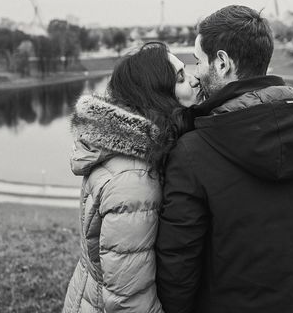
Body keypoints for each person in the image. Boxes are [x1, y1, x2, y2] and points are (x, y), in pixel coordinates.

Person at [156, 5, 293, 313]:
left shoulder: (193, 152)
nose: (196, 74)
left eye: (199, 61)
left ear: (222, 63)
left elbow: (178, 265)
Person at [63, 42, 197, 313]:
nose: (195, 79)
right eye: (181, 78)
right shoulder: (133, 179)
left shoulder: (141, 152)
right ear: (158, 95)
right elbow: (128, 300)